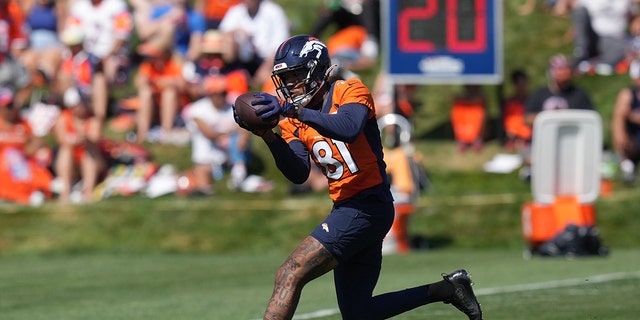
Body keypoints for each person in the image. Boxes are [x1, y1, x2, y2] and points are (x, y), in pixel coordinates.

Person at [233, 35, 482, 320]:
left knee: (290, 272)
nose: (289, 86)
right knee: (358, 313)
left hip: (368, 204)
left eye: (295, 76)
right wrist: (268, 136)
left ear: (316, 71)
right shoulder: (293, 119)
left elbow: (349, 127)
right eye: (285, 79)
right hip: (348, 208)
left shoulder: (349, 89)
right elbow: (298, 173)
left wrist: (295, 111)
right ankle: (447, 290)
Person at [218, 0, 290, 88]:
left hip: (267, 61)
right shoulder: (236, 11)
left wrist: (264, 69)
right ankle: (229, 73)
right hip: (241, 60)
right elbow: (222, 33)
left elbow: (279, 46)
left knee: (271, 79)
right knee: (228, 40)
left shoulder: (274, 11)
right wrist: (236, 31)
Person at [53, 87, 105, 203]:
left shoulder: (93, 119)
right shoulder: (64, 117)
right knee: (66, 149)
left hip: (93, 161)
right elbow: (61, 139)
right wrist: (74, 141)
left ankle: (88, 192)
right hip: (72, 162)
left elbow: (95, 138)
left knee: (89, 150)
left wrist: (85, 139)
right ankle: (65, 192)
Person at [570, 0, 640, 75]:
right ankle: (581, 52)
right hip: (594, 35)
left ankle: (588, 66)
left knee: (625, 50)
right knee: (580, 11)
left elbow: (633, 17)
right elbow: (578, 13)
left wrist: (636, 23)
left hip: (615, 38)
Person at [524, 54, 595, 127]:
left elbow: (590, 117)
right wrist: (549, 117)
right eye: (559, 69)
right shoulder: (539, 94)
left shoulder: (579, 95)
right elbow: (527, 118)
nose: (562, 73)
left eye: (566, 69)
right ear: (551, 72)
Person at [612, 59, 640, 185]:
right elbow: (619, 116)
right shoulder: (627, 95)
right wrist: (620, 137)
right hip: (633, 140)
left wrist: (633, 116)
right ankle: (627, 164)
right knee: (619, 125)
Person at [502, 69, 532, 152]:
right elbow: (509, 126)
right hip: (515, 137)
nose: (522, 87)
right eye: (520, 84)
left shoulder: (533, 101)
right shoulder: (510, 104)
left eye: (524, 83)